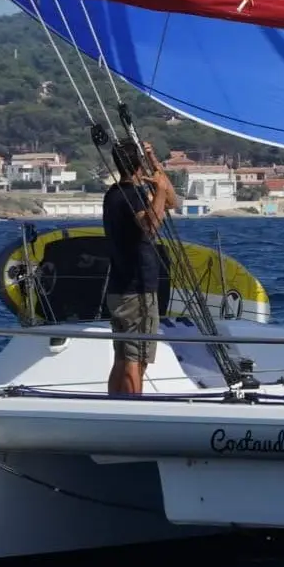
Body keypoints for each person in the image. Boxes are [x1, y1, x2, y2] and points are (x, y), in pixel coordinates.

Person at [102, 139, 179, 395]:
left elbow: (171, 201)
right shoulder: (132, 196)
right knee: (138, 359)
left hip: (118, 288)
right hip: (138, 290)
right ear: (137, 166)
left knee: (123, 356)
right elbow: (151, 226)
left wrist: (154, 164)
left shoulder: (113, 193)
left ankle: (115, 405)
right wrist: (156, 190)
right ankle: (133, 406)